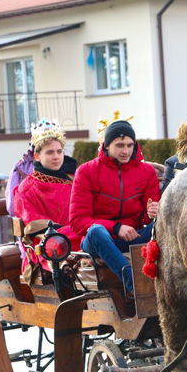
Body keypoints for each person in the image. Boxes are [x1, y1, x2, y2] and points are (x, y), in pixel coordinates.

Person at [70, 117, 160, 294]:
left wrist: (151, 214)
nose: (126, 151)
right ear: (106, 145)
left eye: (129, 145)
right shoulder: (86, 171)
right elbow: (78, 221)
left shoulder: (146, 171)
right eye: (120, 145)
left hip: (133, 238)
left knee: (162, 224)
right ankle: (131, 281)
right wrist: (116, 227)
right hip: (97, 242)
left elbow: (145, 216)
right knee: (96, 230)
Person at [12, 119, 81, 281]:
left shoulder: (74, 180)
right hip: (48, 243)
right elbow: (36, 227)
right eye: (50, 152)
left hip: (80, 233)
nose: (56, 157)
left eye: (59, 151)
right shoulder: (26, 189)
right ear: (37, 156)